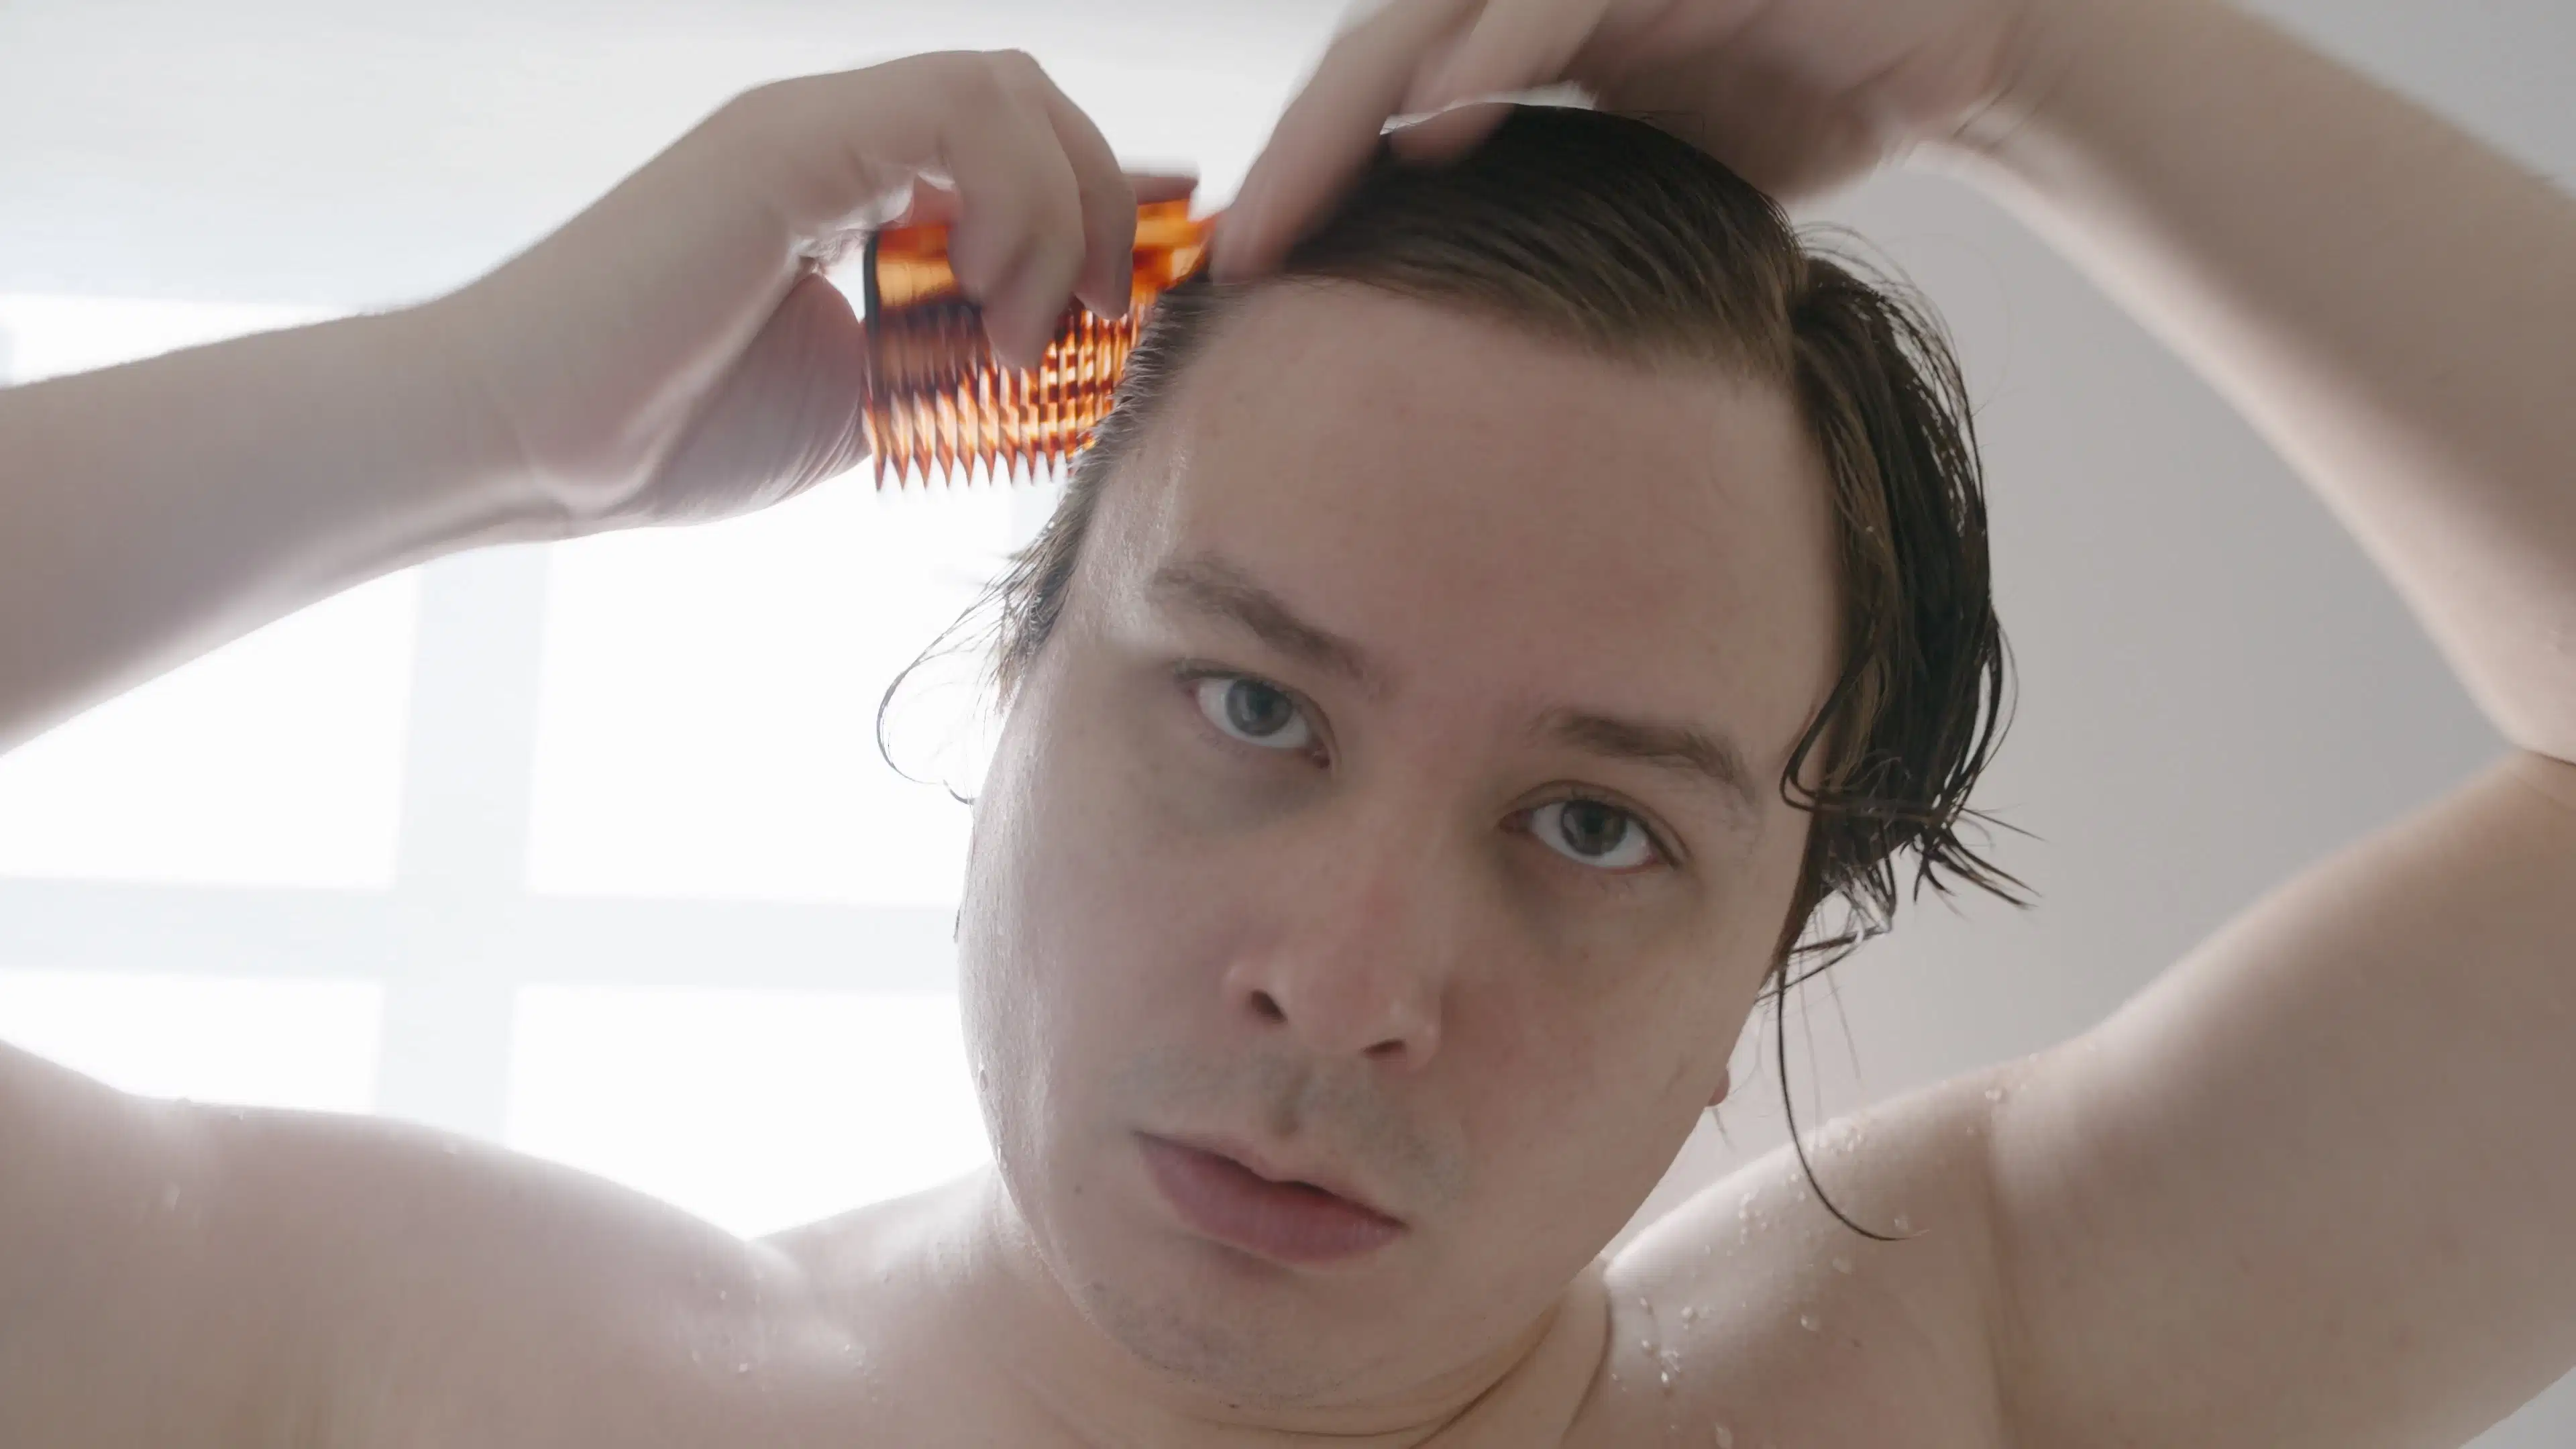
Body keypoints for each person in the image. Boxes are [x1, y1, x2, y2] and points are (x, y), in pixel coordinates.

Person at [3, 0, 2572, 1442]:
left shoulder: (1945, 1380)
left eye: (1590, 825)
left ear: (1773, 960)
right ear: (1012, 689)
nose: (1350, 982)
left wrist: (2030, 49)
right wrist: (465, 411)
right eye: (1252, 699)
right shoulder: (381, 1364)